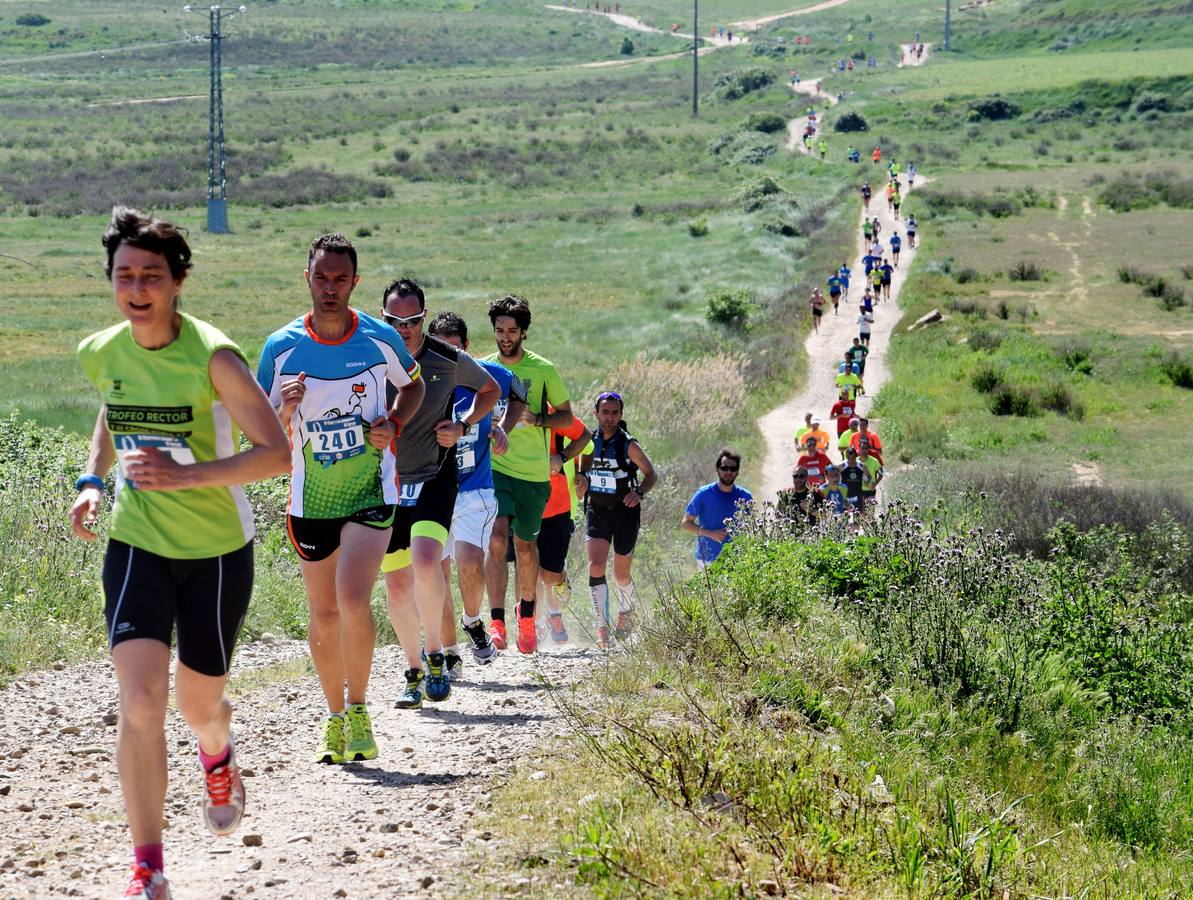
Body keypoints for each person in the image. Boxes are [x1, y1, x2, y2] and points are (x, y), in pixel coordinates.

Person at [71, 207, 291, 899]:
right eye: (124, 276)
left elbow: (277, 456)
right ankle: (148, 867)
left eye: (151, 277)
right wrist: (91, 480)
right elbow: (114, 405)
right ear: (110, 280)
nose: (137, 289)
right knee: (139, 703)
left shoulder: (214, 357)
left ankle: (217, 750)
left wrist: (188, 475)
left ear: (179, 281)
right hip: (137, 542)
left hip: (217, 554)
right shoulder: (101, 350)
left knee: (199, 708)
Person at [258, 233, 424, 764]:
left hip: (371, 491)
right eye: (321, 277)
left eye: (341, 279)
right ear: (306, 278)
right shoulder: (280, 349)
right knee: (324, 613)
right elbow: (259, 429)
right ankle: (334, 717)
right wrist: (282, 412)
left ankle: (358, 710)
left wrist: (393, 422)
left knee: (354, 598)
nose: (330, 288)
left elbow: (413, 386)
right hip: (310, 500)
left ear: (355, 282)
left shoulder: (378, 340)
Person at [377, 281, 501, 710]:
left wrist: (463, 426)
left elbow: (492, 390)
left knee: (427, 561)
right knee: (396, 583)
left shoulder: (446, 358)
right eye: (395, 321)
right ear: (384, 318)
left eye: (412, 321)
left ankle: (435, 655)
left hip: (435, 473)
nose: (405, 329)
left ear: (424, 317)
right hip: (386, 480)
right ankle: (413, 671)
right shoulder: (372, 358)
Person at [426, 312, 525, 675]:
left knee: (469, 562)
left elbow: (519, 394)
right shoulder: (419, 376)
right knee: (436, 573)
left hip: (473, 489)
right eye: (440, 348)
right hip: (431, 489)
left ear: (467, 348)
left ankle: (472, 621)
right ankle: (450, 651)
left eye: (455, 350)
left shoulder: (485, 375)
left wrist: (503, 428)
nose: (448, 358)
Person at [482, 294, 573, 654]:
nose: (505, 337)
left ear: (524, 333)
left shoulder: (544, 370)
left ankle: (527, 620)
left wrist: (537, 419)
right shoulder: (484, 368)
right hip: (495, 469)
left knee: (524, 544)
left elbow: (567, 417)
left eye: (512, 331)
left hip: (534, 475)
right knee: (497, 538)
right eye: (500, 330)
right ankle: (497, 620)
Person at [576, 392, 658, 647]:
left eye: (614, 413)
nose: (609, 418)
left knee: (621, 573)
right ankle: (601, 626)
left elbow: (651, 474)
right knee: (595, 566)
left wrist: (639, 493)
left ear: (620, 415)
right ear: (596, 413)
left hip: (625, 513)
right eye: (605, 412)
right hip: (597, 511)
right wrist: (581, 482)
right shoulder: (588, 441)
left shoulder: (628, 445)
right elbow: (581, 471)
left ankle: (626, 608)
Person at [535, 404, 592, 645]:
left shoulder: (560, 419)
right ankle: (541, 621)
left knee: (550, 571)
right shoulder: (513, 411)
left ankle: (557, 599)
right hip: (531, 502)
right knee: (530, 566)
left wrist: (583, 475)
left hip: (562, 506)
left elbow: (588, 447)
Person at [682, 450, 751, 566]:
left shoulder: (745, 497)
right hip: (707, 559)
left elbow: (750, 527)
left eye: (733, 469)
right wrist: (710, 534)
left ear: (737, 472)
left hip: (737, 559)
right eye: (724, 468)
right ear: (717, 469)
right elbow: (685, 523)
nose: (728, 472)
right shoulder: (703, 494)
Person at [858, 438, 884, 507]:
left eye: (866, 448)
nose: (864, 450)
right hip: (858, 491)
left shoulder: (874, 461)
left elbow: (881, 473)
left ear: (868, 449)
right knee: (858, 515)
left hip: (870, 490)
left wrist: (875, 483)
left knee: (870, 513)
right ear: (859, 448)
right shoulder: (855, 461)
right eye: (862, 448)